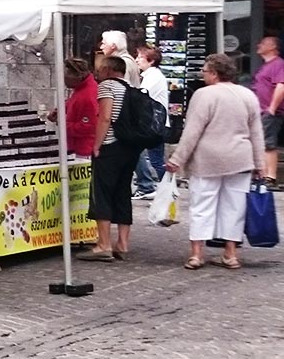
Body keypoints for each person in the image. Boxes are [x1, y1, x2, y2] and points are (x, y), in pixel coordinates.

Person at [166, 52, 265, 270]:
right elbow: (256, 133)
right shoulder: (248, 95)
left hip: (207, 159)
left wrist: (177, 159)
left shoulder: (204, 95)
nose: (202, 75)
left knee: (202, 205)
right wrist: (260, 164)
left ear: (213, 73)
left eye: (204, 71)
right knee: (234, 207)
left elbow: (192, 131)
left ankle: (197, 253)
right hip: (240, 159)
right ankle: (230, 254)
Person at [79, 54, 135, 262]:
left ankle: (103, 244)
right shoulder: (131, 87)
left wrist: (96, 145)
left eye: (101, 69)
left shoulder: (107, 86)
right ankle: (123, 243)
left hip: (110, 146)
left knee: (101, 193)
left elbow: (105, 117)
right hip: (129, 148)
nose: (98, 72)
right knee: (122, 192)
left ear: (110, 70)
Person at [132, 44, 169, 198]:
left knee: (154, 159)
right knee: (151, 157)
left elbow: (141, 97)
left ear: (151, 61)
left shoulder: (153, 77)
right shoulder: (150, 76)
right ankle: (155, 186)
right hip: (153, 124)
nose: (137, 60)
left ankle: (162, 187)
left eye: (140, 57)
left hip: (154, 125)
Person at [253, 36, 284, 189]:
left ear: (272, 47)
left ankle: (270, 176)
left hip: (269, 111)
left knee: (268, 143)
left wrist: (272, 108)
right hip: (260, 110)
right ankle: (262, 174)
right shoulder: (265, 66)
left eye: (263, 43)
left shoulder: (278, 64)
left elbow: (281, 85)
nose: (259, 45)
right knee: (261, 142)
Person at [54, 57, 97, 157]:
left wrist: (63, 124)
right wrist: (60, 110)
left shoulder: (88, 96)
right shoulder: (81, 89)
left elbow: (89, 126)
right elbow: (73, 102)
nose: (64, 81)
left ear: (78, 76)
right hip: (77, 147)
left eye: (66, 77)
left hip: (84, 150)